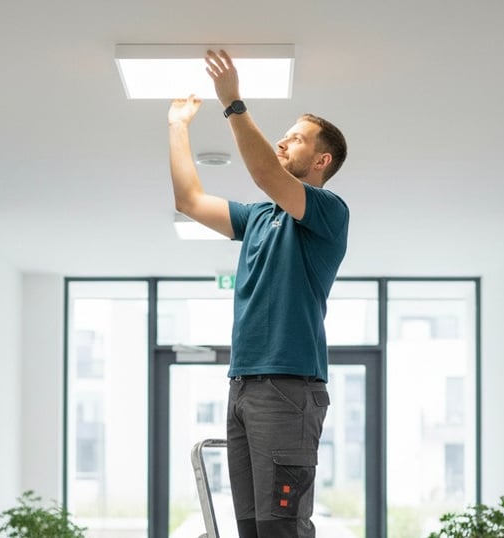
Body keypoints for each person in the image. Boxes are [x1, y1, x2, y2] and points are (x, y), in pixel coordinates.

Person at [168, 50, 350, 538]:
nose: (282, 141)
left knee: (280, 528)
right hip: (243, 385)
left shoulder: (329, 212)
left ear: (321, 160)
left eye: (296, 139)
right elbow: (188, 201)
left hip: (289, 388)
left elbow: (266, 174)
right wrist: (178, 126)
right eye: (285, 135)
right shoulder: (259, 218)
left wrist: (232, 103)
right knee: (250, 528)